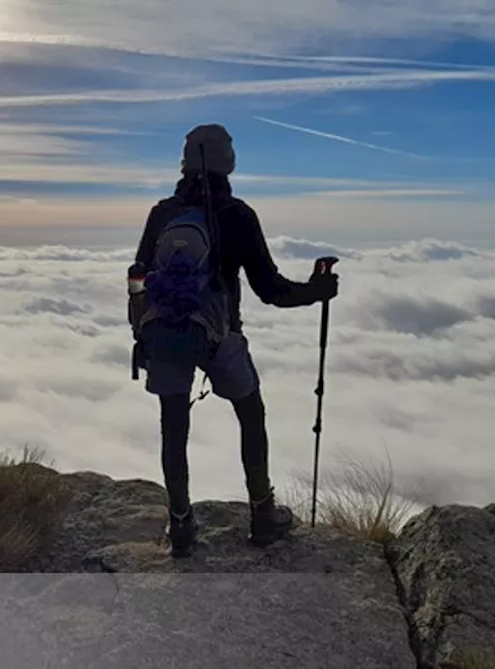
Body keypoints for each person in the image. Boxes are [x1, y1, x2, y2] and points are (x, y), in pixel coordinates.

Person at [129, 123, 339, 557]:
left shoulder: (162, 213)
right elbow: (271, 290)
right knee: (250, 411)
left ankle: (181, 524)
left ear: (185, 160)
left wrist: (143, 334)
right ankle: (262, 513)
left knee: (174, 426)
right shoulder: (238, 215)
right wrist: (317, 290)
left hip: (165, 333)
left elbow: (138, 278)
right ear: (230, 161)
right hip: (221, 335)